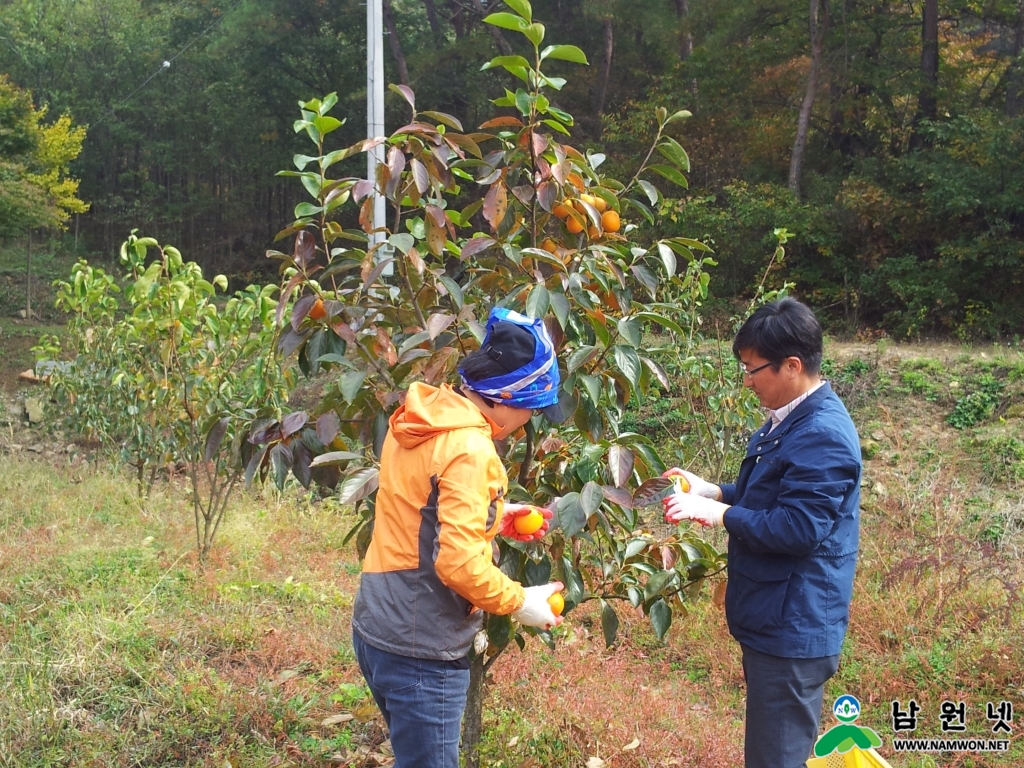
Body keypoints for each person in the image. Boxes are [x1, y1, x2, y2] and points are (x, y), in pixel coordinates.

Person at [351, 306, 566, 768]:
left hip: (377, 623)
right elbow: (459, 565)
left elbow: (417, 502)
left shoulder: (421, 417)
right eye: (529, 408)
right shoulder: (471, 448)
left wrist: (495, 514)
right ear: (506, 398)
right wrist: (519, 601)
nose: (527, 420)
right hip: (422, 643)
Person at [661, 297, 862, 768]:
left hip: (794, 625)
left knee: (777, 757)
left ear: (792, 365)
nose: (747, 380)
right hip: (776, 616)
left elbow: (798, 528)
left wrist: (718, 515)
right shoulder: (790, 418)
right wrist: (714, 491)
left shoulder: (823, 433)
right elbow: (771, 495)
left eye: (754, 369)